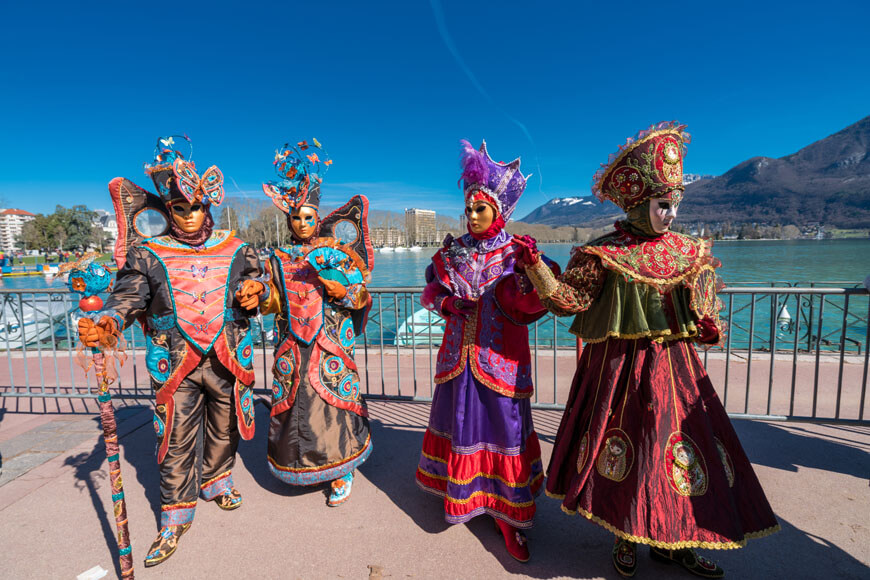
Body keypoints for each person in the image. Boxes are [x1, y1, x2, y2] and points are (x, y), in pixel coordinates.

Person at [517, 122, 779, 577]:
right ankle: (625, 533)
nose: (671, 214)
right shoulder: (603, 253)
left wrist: (706, 325)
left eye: (675, 204)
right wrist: (535, 266)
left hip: (676, 369)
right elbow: (570, 301)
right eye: (663, 205)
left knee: (678, 451)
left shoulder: (687, 251)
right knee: (630, 447)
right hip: (619, 369)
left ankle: (677, 541)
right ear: (640, 203)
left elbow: (701, 312)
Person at [77, 136, 265, 567]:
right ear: (168, 210)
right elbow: (128, 296)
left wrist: (256, 290)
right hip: (175, 361)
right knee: (175, 438)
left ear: (208, 208)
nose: (189, 216)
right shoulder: (148, 254)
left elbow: (256, 284)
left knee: (226, 425)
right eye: (179, 208)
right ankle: (175, 515)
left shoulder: (238, 249)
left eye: (195, 207)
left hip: (228, 357)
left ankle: (217, 480)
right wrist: (107, 324)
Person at [415, 140, 559, 563]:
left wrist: (534, 271)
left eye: (482, 209)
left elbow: (541, 302)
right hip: (458, 361)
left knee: (504, 431)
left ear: (500, 212)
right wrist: (446, 304)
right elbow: (429, 291)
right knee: (460, 426)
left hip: (501, 363)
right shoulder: (451, 251)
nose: (473, 216)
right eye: (469, 209)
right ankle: (463, 494)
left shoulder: (518, 253)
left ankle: (507, 514)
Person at [259, 140, 375, 506]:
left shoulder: (338, 255)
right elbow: (273, 299)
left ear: (318, 217)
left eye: (309, 216)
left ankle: (342, 467)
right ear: (288, 220)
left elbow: (361, 297)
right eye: (296, 217)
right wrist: (260, 296)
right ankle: (300, 465)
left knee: (333, 404)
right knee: (295, 405)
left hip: (328, 342)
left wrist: (341, 289)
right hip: (292, 344)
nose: (303, 223)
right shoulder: (276, 258)